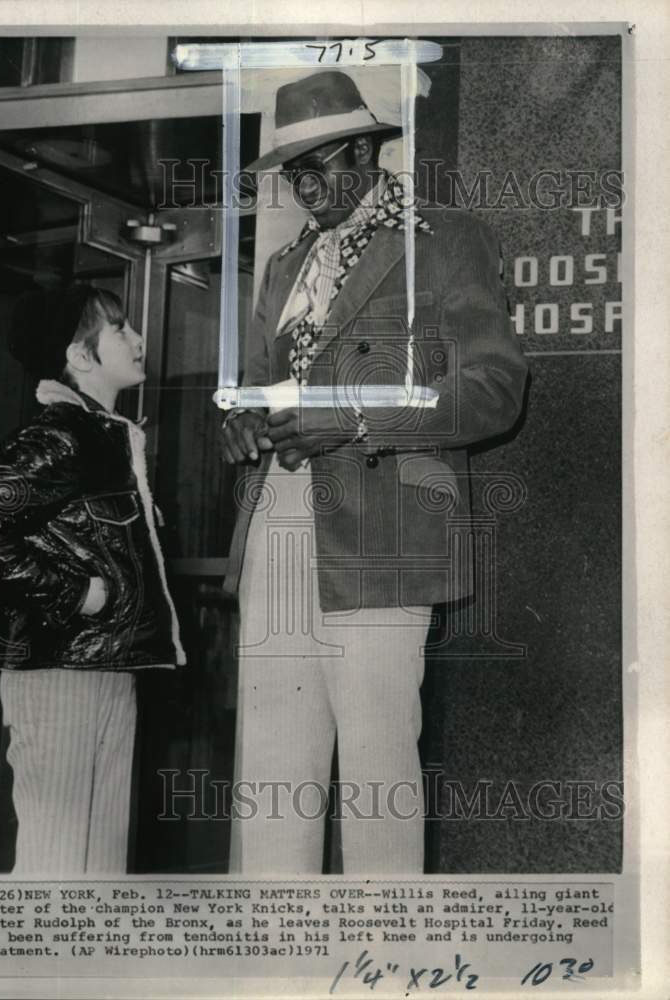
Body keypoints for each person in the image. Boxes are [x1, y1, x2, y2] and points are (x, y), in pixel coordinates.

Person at [221, 69, 528, 873]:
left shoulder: (446, 238)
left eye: (317, 164)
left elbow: (493, 391)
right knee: (273, 767)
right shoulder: (286, 266)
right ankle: (277, 957)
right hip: (277, 525)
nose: (304, 187)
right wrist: (242, 422)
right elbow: (262, 384)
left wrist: (352, 415)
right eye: (292, 172)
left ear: (364, 149)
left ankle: (381, 965)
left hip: (383, 532)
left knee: (375, 767)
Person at [0, 283, 185, 875]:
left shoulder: (106, 436)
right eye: (120, 329)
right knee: (57, 862)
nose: (138, 340)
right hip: (60, 671)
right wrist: (75, 594)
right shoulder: (59, 434)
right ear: (82, 356)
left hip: (106, 666)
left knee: (99, 865)